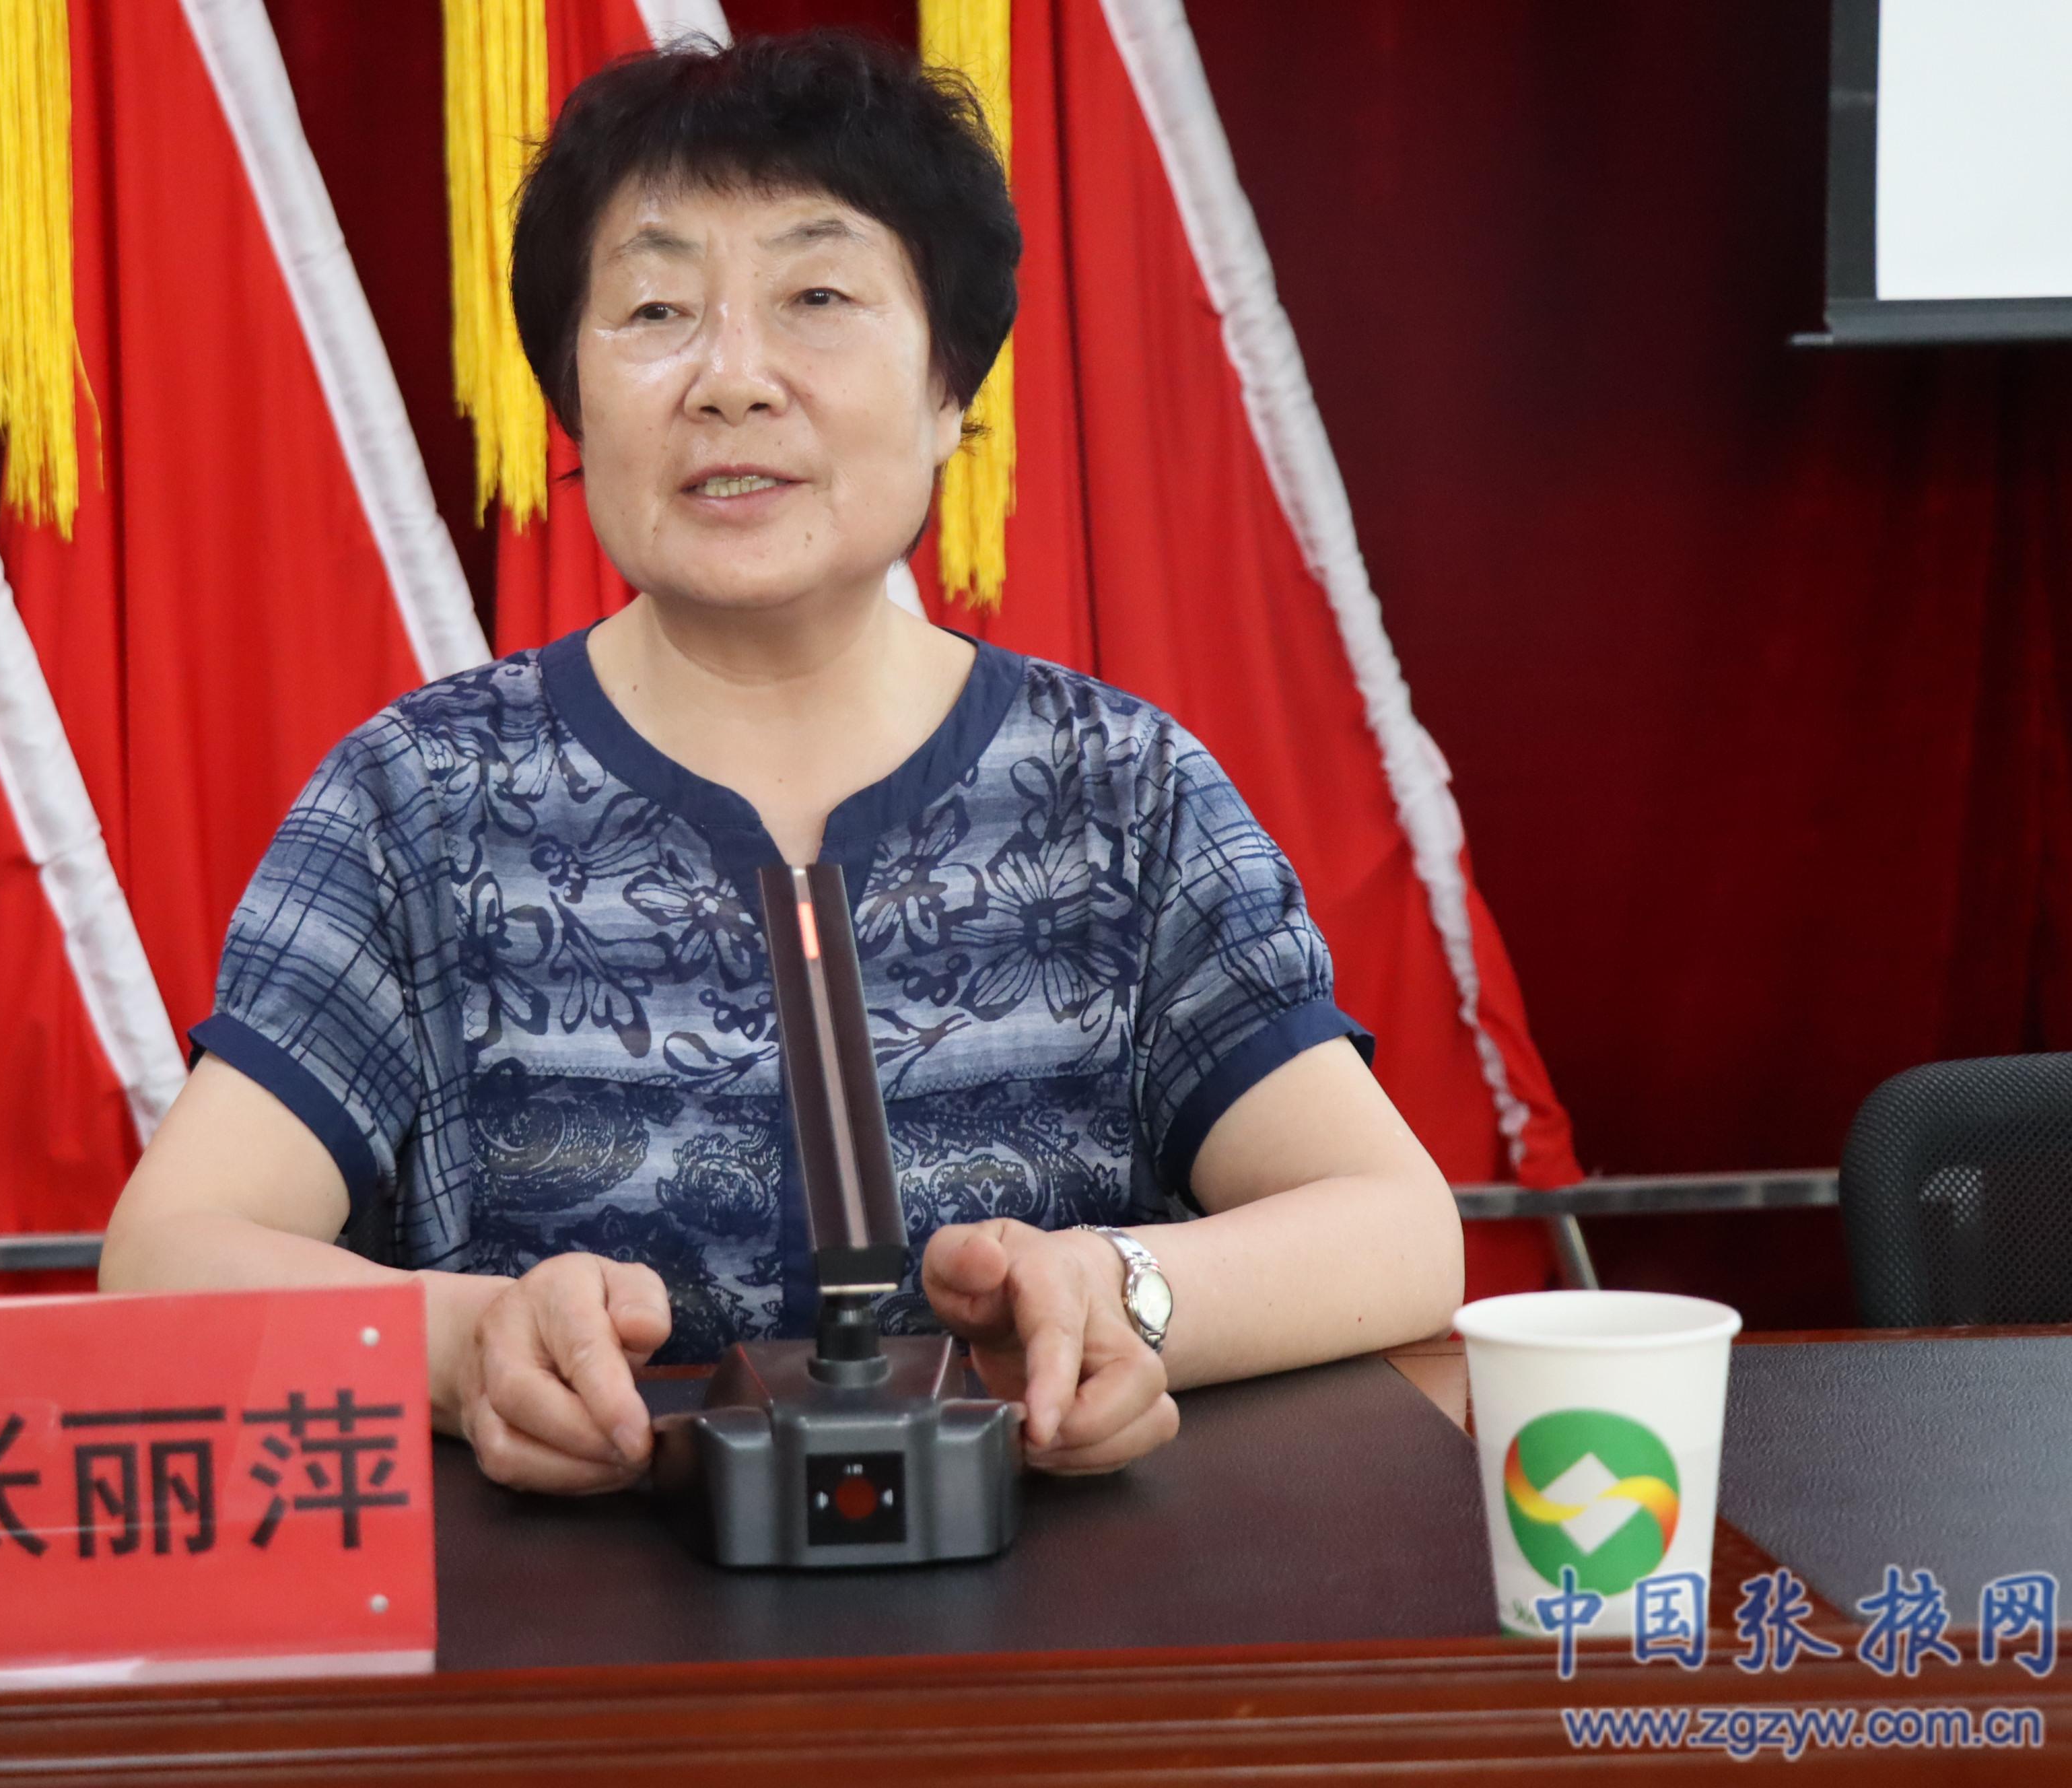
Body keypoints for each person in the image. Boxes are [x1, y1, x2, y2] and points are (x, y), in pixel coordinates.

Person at [100, 30, 1462, 1494]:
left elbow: (1395, 1225)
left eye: (818, 298)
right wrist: (465, 1343)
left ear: (950, 387)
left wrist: (1123, 1294)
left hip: (1052, 1605)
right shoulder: (419, 798)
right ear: (574, 397)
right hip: (568, 1610)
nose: (732, 380)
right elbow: (169, 1260)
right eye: (655, 310)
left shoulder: (1117, 791)